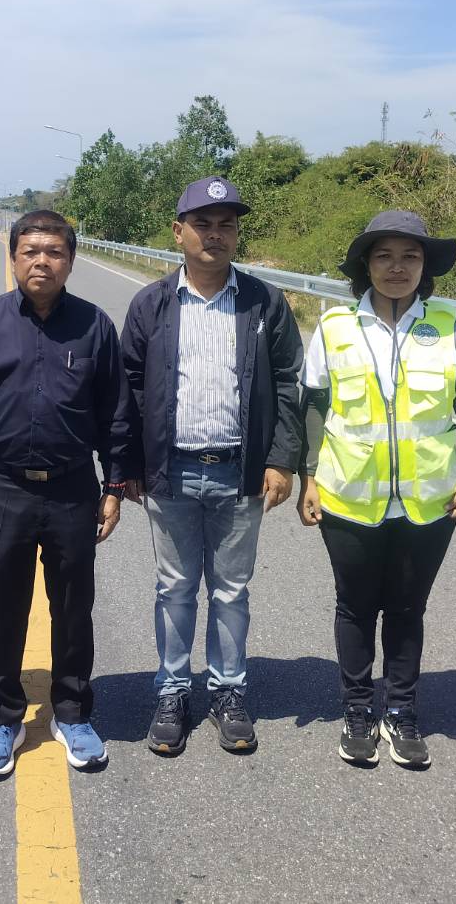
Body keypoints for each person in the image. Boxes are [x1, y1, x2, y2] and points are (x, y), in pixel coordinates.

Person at [296, 211, 456, 769]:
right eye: (384, 256)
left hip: (431, 501)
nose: (397, 267)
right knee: (355, 607)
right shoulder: (335, 326)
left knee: (408, 609)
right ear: (366, 265)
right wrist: (309, 475)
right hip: (348, 496)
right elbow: (314, 404)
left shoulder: (450, 326)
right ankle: (358, 710)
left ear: (425, 266)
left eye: (410, 256)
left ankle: (401, 710)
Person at [0, 209, 134, 778]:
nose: (41, 262)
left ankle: (71, 712)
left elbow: (116, 413)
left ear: (71, 261)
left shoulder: (95, 326)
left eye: (54, 252)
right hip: (0, 488)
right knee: (4, 607)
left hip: (74, 488)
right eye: (30, 251)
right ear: (13, 258)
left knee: (74, 608)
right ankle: (3, 718)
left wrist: (114, 486)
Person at [120, 176, 303, 756]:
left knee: (231, 591)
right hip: (170, 471)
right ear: (179, 233)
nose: (215, 234)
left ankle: (228, 691)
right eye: (202, 224)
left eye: (226, 224)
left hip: (239, 471)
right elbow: (128, 387)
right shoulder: (152, 303)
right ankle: (173, 691)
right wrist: (127, 463)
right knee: (174, 588)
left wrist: (281, 460)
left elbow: (287, 383)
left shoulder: (264, 302)